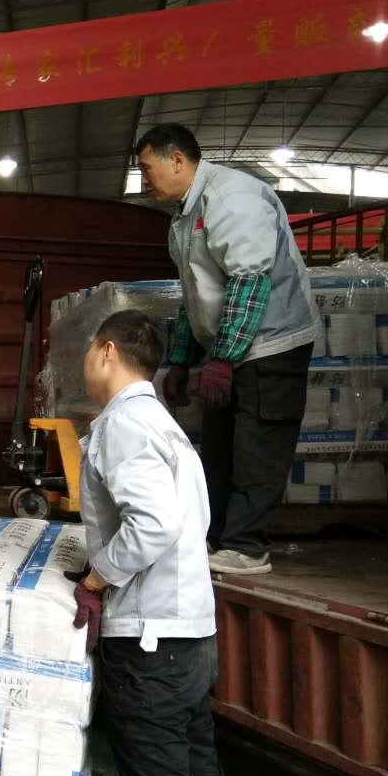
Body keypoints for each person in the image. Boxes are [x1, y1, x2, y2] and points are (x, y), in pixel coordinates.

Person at [71, 310, 247, 776]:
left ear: (107, 350)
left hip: (151, 648)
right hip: (189, 636)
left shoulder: (124, 425)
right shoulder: (164, 424)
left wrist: (98, 578)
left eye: (89, 351)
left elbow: (154, 523)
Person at [135, 123, 317, 576]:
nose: (144, 180)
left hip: (271, 344)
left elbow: (249, 283)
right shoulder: (184, 215)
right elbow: (196, 294)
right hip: (231, 347)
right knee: (219, 448)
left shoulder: (232, 197)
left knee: (258, 446)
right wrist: (182, 359)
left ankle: (248, 548)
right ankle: (215, 537)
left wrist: (221, 359)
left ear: (177, 159)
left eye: (147, 168)